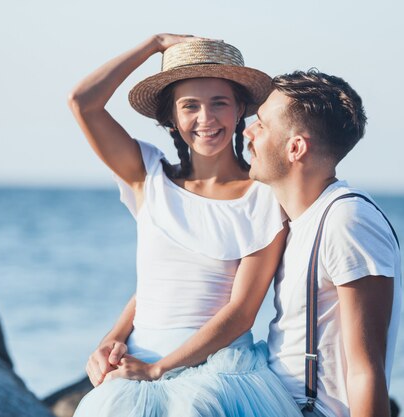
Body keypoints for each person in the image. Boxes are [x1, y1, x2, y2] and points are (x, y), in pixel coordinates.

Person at [67, 34, 302, 416]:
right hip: (137, 366)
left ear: (240, 108)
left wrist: (160, 368)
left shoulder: (262, 197)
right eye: (189, 106)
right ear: (170, 119)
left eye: (219, 104)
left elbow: (242, 311)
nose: (205, 119)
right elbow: (83, 103)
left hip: (216, 373)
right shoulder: (148, 177)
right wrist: (153, 44)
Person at [243, 69, 402, 417]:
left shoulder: (347, 220)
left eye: (261, 124)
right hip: (273, 401)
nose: (247, 131)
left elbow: (366, 370)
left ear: (295, 147)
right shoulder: (295, 219)